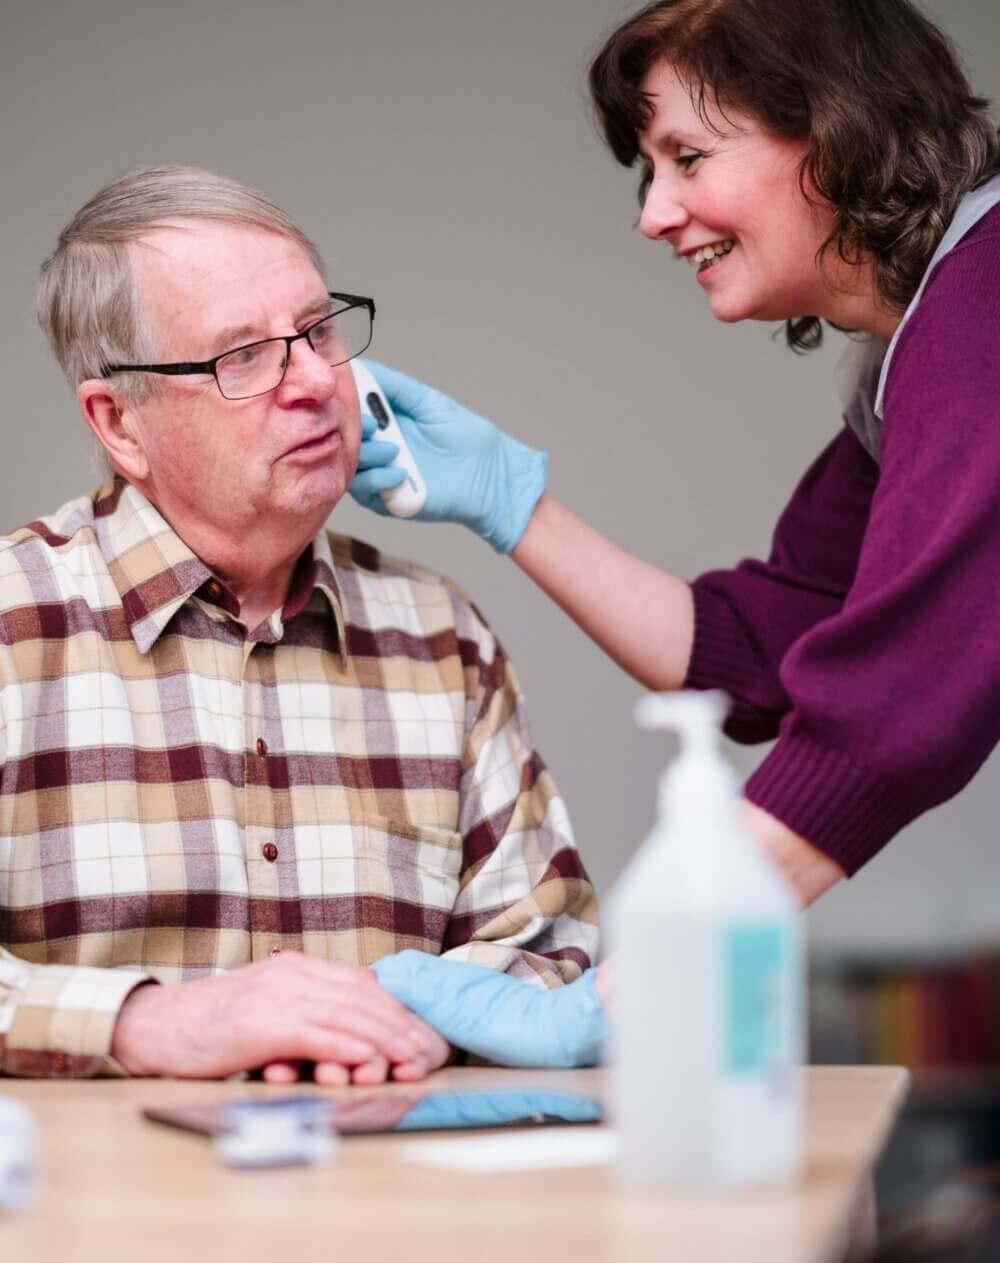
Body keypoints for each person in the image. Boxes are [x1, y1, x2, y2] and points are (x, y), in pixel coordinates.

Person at [353, 0, 1000, 1065]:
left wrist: (634, 991)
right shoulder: (913, 360)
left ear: (838, 129)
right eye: (648, 172)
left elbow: (901, 700)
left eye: (688, 157)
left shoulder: (980, 312)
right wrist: (515, 507)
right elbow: (770, 654)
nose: (656, 214)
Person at [0, 165, 598, 1082]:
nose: (317, 379)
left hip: (384, 1205)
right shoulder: (13, 624)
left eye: (318, 330)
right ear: (119, 423)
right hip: (94, 1217)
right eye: (242, 355)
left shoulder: (441, 636)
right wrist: (150, 1023)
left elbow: (550, 946)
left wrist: (396, 1029)